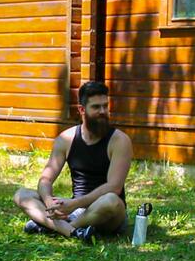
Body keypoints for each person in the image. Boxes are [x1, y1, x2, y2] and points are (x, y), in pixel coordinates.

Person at [14, 80, 132, 241]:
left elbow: (114, 187)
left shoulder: (119, 141)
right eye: (96, 107)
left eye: (105, 106)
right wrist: (49, 202)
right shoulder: (66, 139)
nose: (103, 111)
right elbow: (46, 179)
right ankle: (73, 231)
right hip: (77, 211)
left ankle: (54, 227)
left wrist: (74, 204)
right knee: (22, 194)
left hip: (108, 213)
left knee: (111, 200)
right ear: (82, 110)